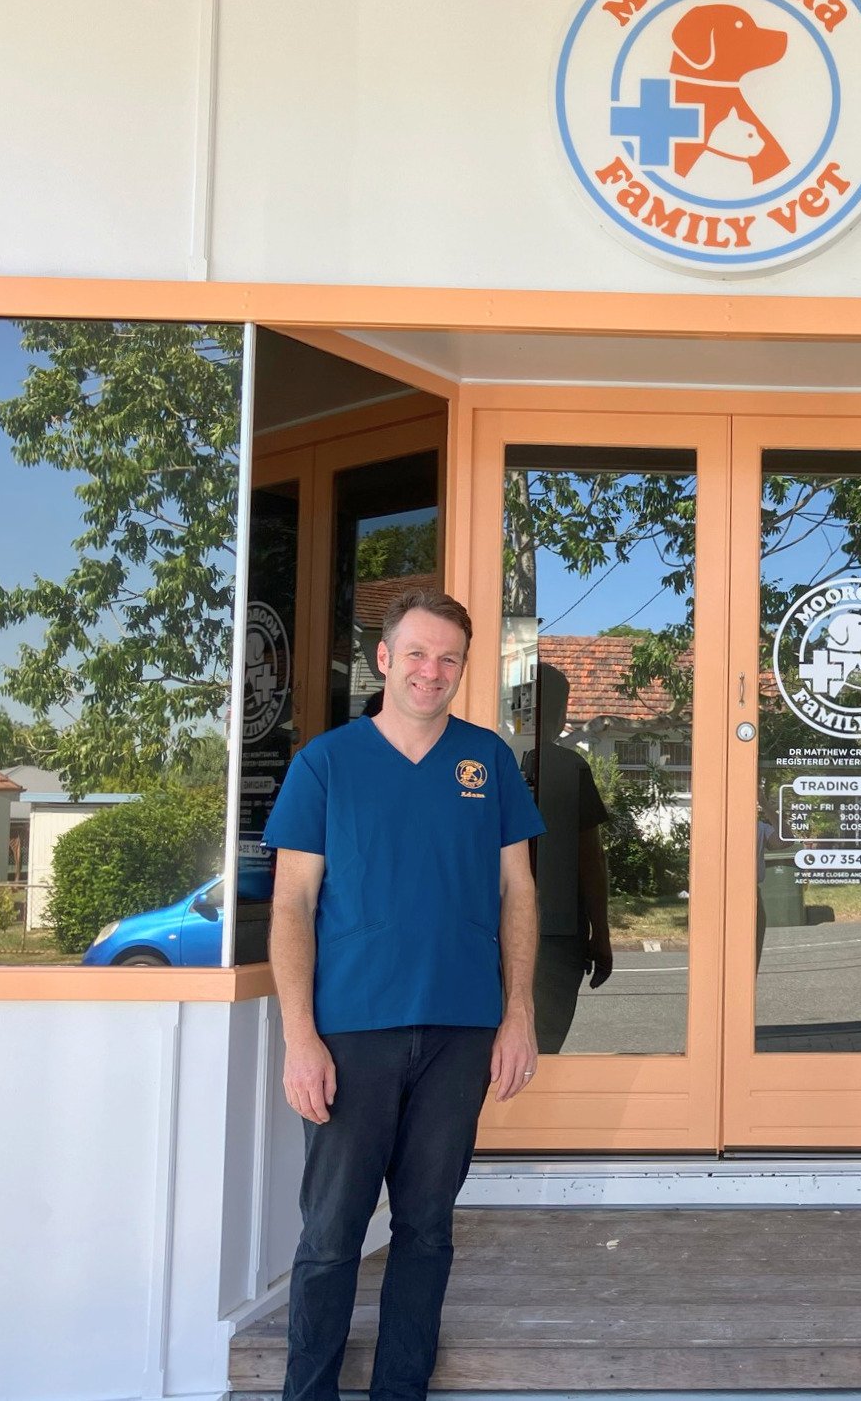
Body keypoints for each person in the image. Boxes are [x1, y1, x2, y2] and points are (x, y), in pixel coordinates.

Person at [265, 588, 544, 1401]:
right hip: (352, 1032)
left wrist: (517, 1013)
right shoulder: (327, 763)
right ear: (383, 659)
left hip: (461, 1031)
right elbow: (291, 904)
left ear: (463, 668)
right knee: (332, 1235)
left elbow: (517, 892)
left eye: (449, 658)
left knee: (426, 1229)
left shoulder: (485, 759)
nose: (432, 670)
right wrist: (300, 1037)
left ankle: (401, 1390)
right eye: (416, 653)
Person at [521, 662, 612, 1053]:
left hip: (486, 929)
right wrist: (601, 934)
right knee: (542, 1048)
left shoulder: (485, 762)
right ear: (560, 715)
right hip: (556, 932)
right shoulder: (570, 767)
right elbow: (590, 859)